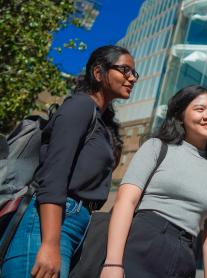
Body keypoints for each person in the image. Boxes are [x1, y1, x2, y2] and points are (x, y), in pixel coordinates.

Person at [1, 45, 137, 278]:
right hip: (50, 224)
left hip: (74, 224)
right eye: (125, 70)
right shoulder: (80, 106)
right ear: (98, 73)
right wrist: (50, 244)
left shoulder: (102, 122)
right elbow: (54, 175)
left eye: (134, 73)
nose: (132, 78)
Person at [101, 85, 207, 278]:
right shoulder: (156, 148)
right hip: (142, 243)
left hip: (185, 257)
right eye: (200, 109)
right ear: (179, 116)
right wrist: (112, 263)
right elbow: (126, 202)